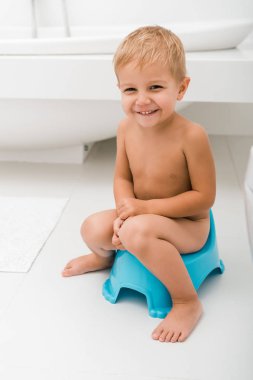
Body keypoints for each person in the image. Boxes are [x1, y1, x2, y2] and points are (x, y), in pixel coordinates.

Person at [62, 26, 216, 343]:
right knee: (92, 227)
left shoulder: (192, 135)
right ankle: (105, 258)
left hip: (186, 225)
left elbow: (204, 198)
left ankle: (186, 301)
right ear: (119, 89)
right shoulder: (125, 128)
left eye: (156, 87)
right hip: (139, 217)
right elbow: (123, 177)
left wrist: (143, 210)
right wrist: (123, 212)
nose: (142, 100)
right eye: (130, 90)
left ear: (181, 87)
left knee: (136, 231)